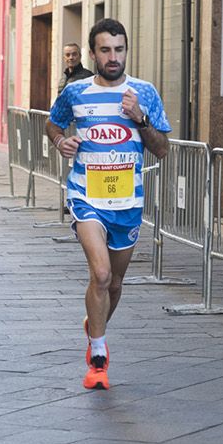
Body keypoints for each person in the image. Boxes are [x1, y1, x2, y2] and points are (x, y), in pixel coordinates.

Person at [46, 19, 171, 390]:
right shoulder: (76, 92)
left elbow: (162, 149)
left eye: (119, 49)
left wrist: (140, 118)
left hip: (127, 202)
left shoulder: (144, 93)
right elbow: (53, 123)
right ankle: (97, 358)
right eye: (105, 50)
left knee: (115, 283)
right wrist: (60, 142)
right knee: (99, 275)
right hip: (86, 196)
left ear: (126, 51)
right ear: (92, 53)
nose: (113, 57)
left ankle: (94, 322)